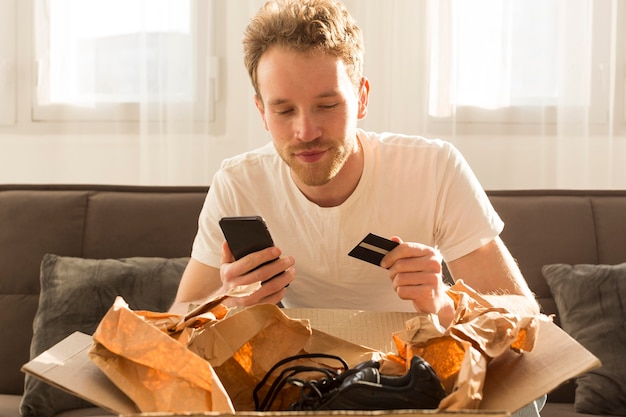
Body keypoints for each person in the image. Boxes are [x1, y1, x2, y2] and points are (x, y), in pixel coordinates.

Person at [171, 1, 544, 414]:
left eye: (327, 105)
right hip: (311, 381)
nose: (305, 131)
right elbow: (176, 321)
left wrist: (444, 305)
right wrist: (228, 304)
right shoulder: (238, 183)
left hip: (420, 378)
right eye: (283, 110)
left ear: (362, 98)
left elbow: (525, 312)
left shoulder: (433, 167)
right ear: (261, 112)